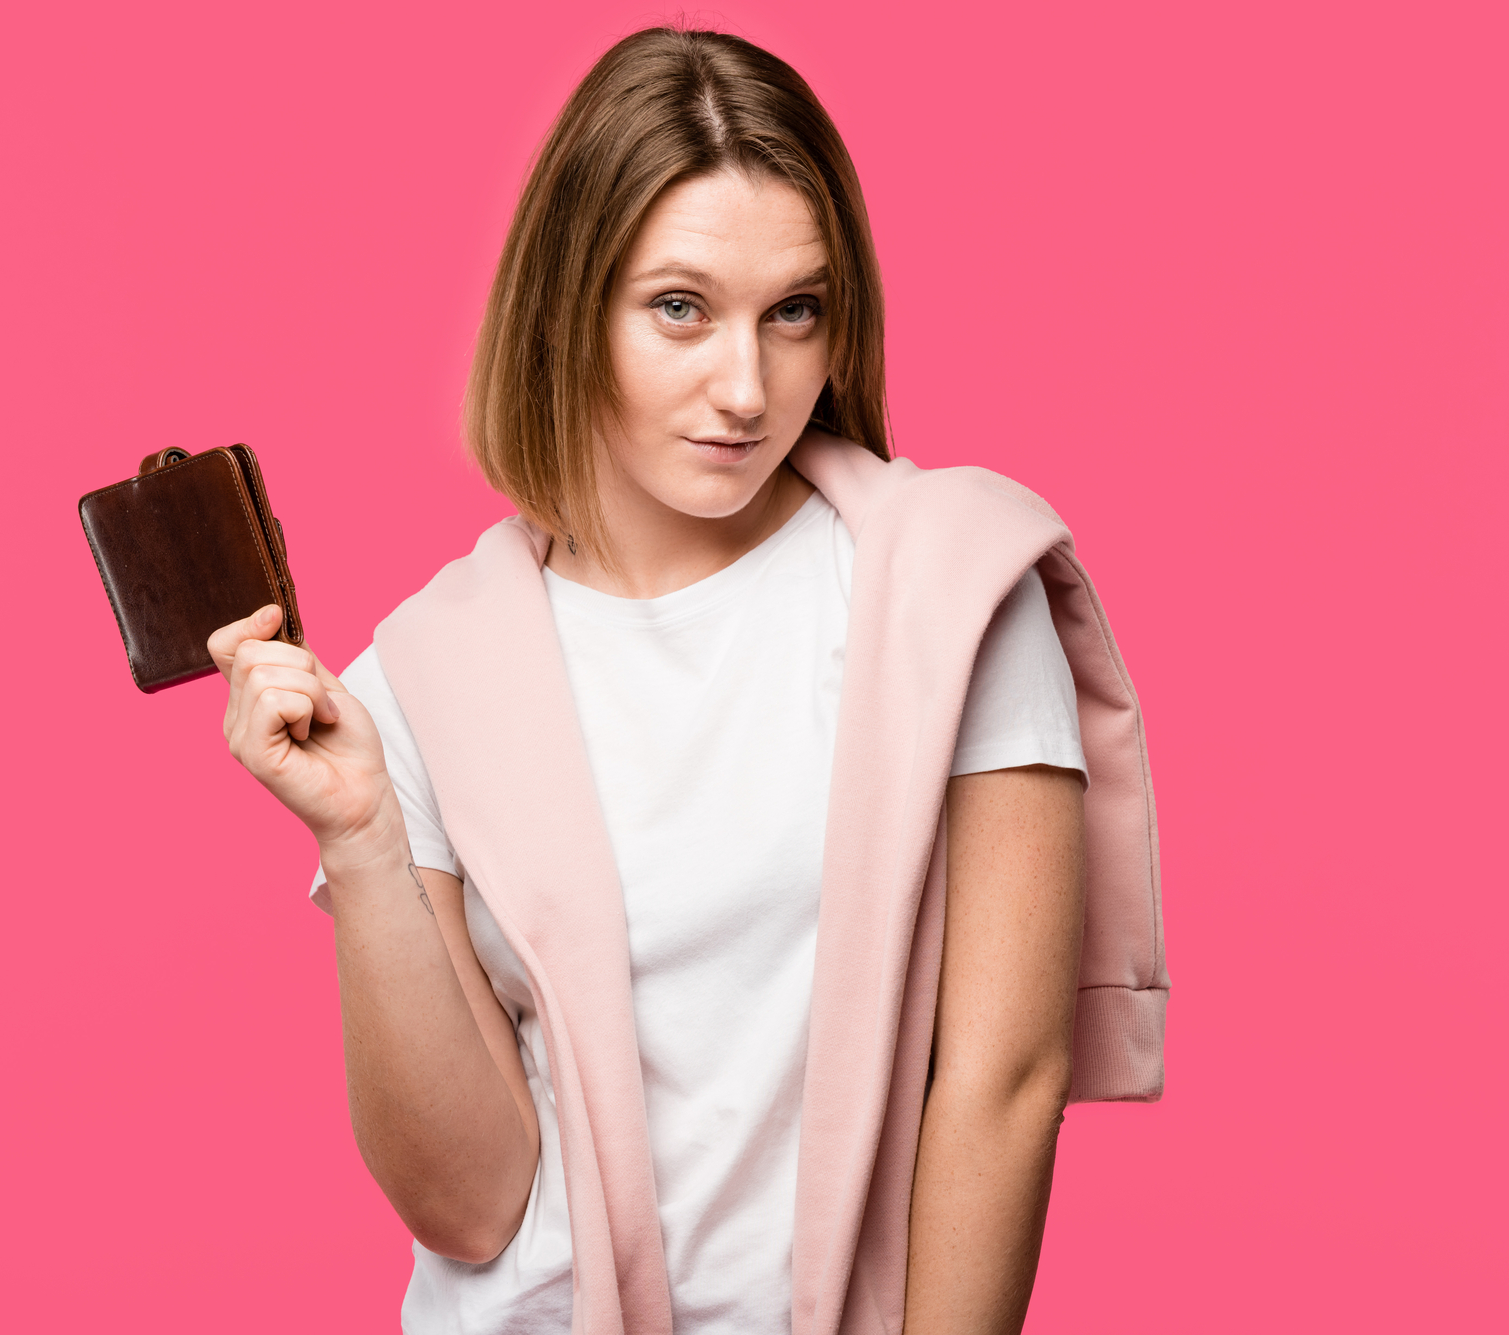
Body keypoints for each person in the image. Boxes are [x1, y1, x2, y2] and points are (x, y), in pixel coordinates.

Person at [208, 26, 1165, 1335]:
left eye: (794, 312)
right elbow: (472, 1204)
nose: (746, 386)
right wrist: (363, 837)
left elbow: (1002, 1079)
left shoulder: (952, 591)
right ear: (570, 306)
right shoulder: (418, 679)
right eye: (679, 308)